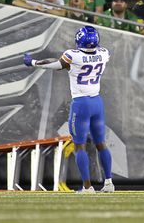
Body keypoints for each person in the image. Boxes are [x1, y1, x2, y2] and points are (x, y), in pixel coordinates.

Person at [23, 26, 114, 194]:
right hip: (97, 102)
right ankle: (108, 183)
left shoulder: (73, 56)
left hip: (81, 104)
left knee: (79, 146)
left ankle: (87, 187)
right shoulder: (104, 53)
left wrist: (33, 62)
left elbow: (56, 65)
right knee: (101, 144)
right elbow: (96, 55)